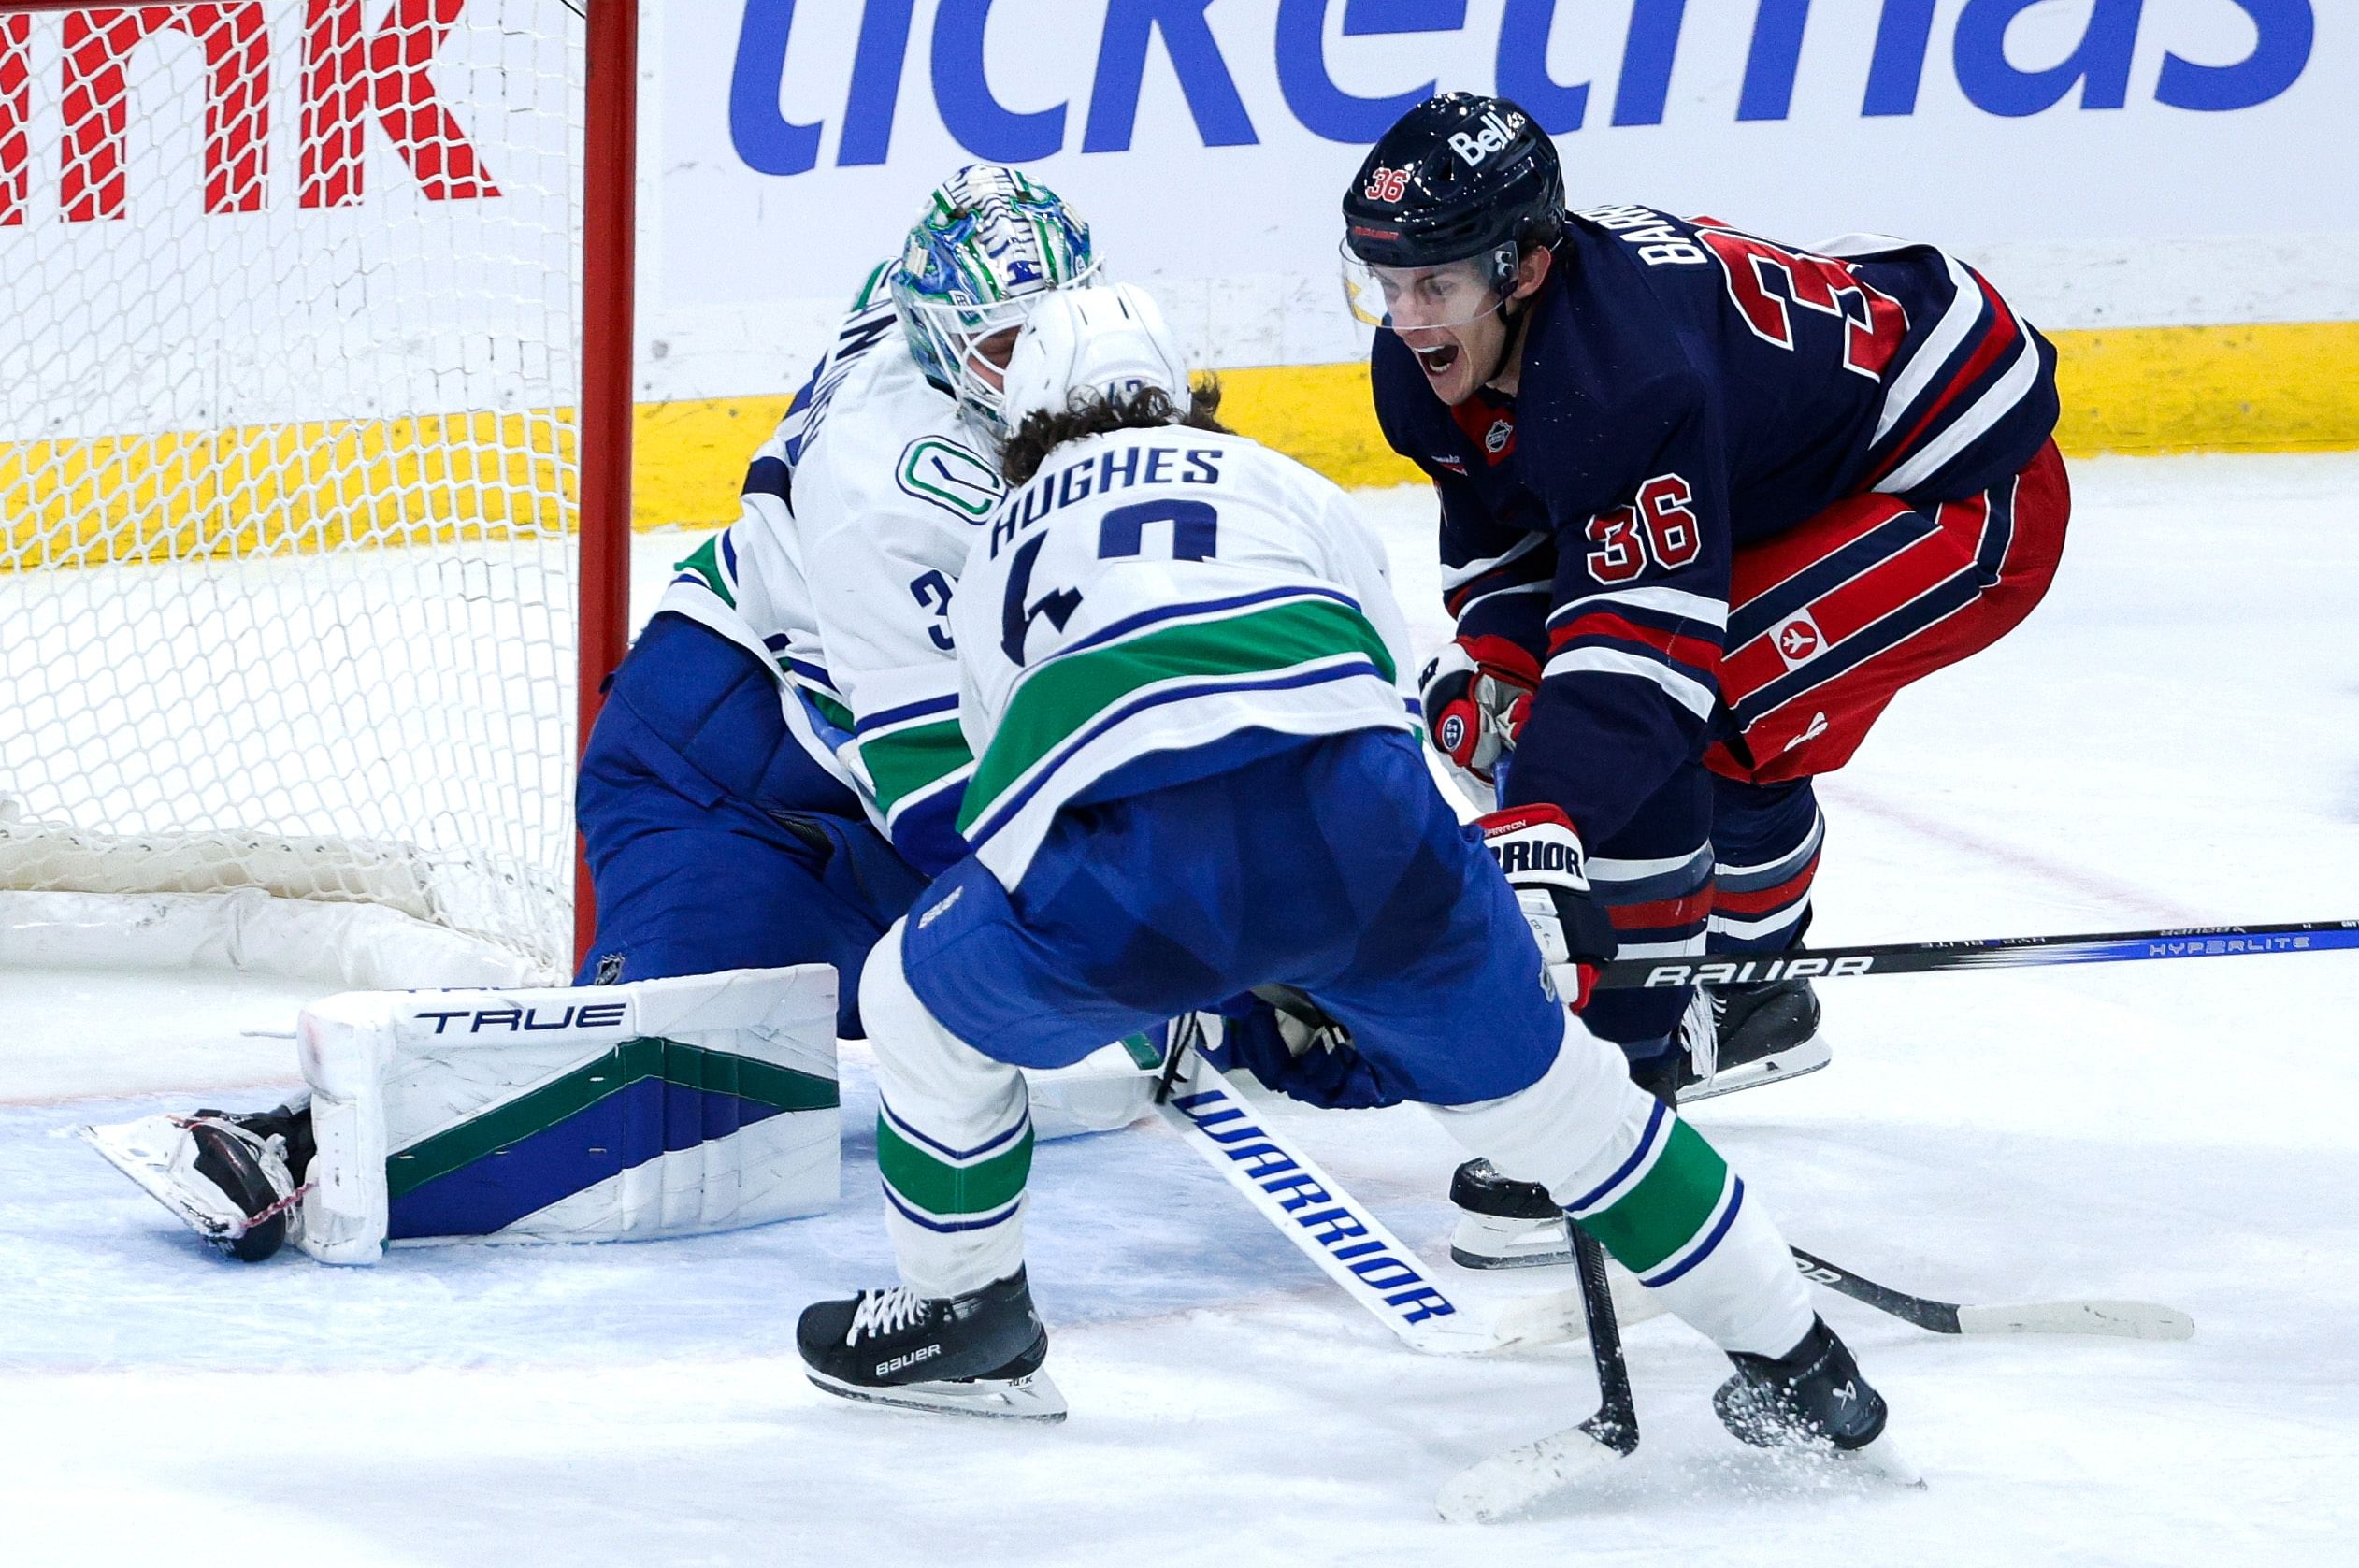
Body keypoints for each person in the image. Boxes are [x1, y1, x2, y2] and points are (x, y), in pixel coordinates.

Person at [793, 281, 1904, 1476]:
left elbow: (1007, 798)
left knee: (915, 1000)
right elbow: (1375, 702)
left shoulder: (1001, 539)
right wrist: (1390, 939)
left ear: (1023, 425)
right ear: (1180, 391)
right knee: (1573, 1109)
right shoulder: (1289, 485)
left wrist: (1208, 975)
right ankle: (1810, 1372)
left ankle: (971, 1316)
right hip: (1366, 828)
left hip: (1131, 868)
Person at [93, 167, 1140, 1262]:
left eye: (1042, 334)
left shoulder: (928, 313)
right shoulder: (891, 497)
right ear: (936, 336)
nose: (1029, 373)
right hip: (726, 774)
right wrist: (1156, 932)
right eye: (999, 348)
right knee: (655, 1079)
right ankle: (297, 1144)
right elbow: (946, 811)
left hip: (842, 737)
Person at [1341, 94, 2068, 1259]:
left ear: (1524, 267)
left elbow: (1642, 672)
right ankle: (1750, 992)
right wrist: (1500, 675)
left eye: (1436, 284)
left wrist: (1540, 820)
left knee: (1692, 708)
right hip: (1807, 448)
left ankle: (1620, 1100)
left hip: (1965, 481)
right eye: (1383, 279)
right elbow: (1523, 552)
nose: (1406, 317)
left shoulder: (1622, 377)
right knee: (1607, 714)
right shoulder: (1435, 364)